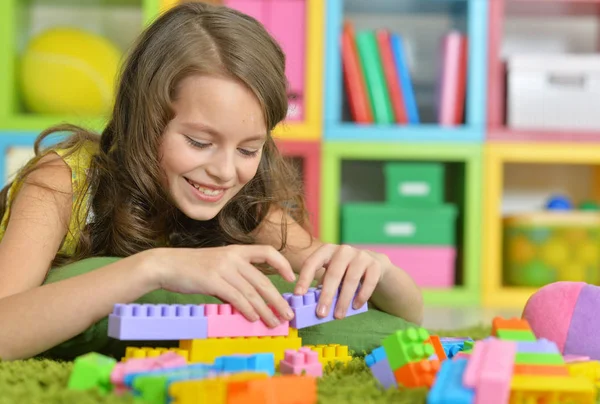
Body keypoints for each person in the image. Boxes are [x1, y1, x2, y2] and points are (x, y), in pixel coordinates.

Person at [0, 2, 423, 361]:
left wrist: (380, 272)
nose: (224, 171)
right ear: (145, 120)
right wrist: (154, 268)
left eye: (247, 149)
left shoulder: (245, 202)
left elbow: (408, 318)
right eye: (200, 142)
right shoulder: (63, 182)